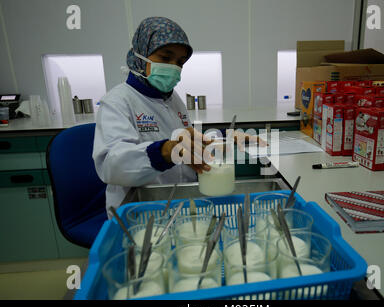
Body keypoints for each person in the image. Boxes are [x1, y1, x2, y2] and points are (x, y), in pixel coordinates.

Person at [93, 17, 264, 219]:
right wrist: (165, 151)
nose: (174, 67)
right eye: (166, 58)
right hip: (141, 211)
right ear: (140, 55)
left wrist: (224, 136)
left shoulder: (172, 99)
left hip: (179, 203)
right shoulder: (117, 102)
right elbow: (112, 165)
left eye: (180, 62)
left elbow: (186, 140)